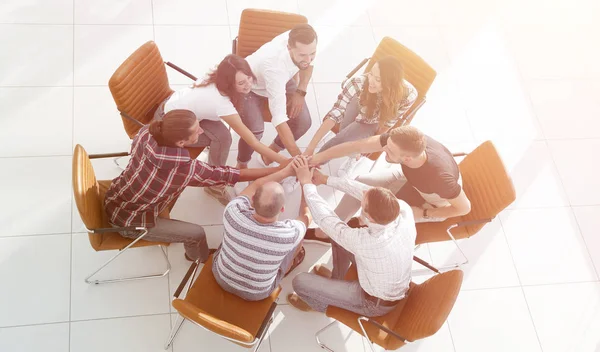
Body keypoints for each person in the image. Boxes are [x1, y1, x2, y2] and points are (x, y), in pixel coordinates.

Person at [104, 109, 282, 263]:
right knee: (196, 234)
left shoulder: (145, 133)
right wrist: (283, 169)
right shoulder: (184, 168)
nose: (202, 130)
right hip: (130, 223)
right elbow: (232, 175)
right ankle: (198, 258)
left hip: (115, 195)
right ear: (181, 143)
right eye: (197, 131)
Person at [286, 157, 416, 317]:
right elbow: (365, 191)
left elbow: (326, 220)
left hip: (373, 302)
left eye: (363, 204)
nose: (362, 195)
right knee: (344, 232)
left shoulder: (367, 241)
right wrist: (325, 179)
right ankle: (337, 279)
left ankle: (321, 304)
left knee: (300, 282)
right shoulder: (403, 210)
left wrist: (307, 184)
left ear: (370, 218)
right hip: (382, 276)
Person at [153, 55, 288, 205]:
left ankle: (214, 177)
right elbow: (252, 142)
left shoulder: (221, 71)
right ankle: (214, 185)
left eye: (249, 77)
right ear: (228, 84)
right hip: (173, 123)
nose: (249, 85)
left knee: (224, 137)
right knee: (223, 139)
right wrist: (286, 162)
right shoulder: (221, 103)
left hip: (182, 108)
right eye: (241, 83)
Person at [306, 125, 471, 243]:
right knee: (362, 183)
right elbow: (357, 146)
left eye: (390, 150)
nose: (384, 148)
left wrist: (423, 213)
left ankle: (356, 231)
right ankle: (326, 232)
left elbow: (464, 208)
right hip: (411, 179)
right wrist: (316, 159)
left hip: (432, 203)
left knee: (379, 220)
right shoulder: (404, 140)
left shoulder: (441, 179)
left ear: (407, 158)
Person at [212, 156, 311, 301]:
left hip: (221, 278)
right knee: (298, 243)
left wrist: (285, 172)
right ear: (282, 209)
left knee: (231, 233)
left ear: (252, 200)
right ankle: (292, 262)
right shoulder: (289, 234)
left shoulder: (232, 211)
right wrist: (305, 182)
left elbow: (256, 184)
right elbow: (306, 216)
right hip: (257, 294)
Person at [304, 56, 417, 176]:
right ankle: (350, 154)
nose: (371, 80)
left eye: (378, 79)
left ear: (391, 84)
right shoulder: (358, 83)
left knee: (341, 140)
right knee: (345, 137)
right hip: (358, 102)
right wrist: (310, 148)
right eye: (371, 74)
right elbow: (335, 112)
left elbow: (389, 122)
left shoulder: (408, 95)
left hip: (372, 120)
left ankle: (308, 166)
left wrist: (373, 142)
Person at [238, 24, 318, 170]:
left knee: (304, 122)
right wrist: (299, 160)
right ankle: (241, 165)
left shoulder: (308, 43)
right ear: (289, 48)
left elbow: (308, 65)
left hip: (284, 79)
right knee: (255, 130)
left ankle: (267, 156)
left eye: (312, 53)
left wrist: (300, 91)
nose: (308, 58)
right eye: (302, 55)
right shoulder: (274, 67)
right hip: (250, 87)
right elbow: (279, 120)